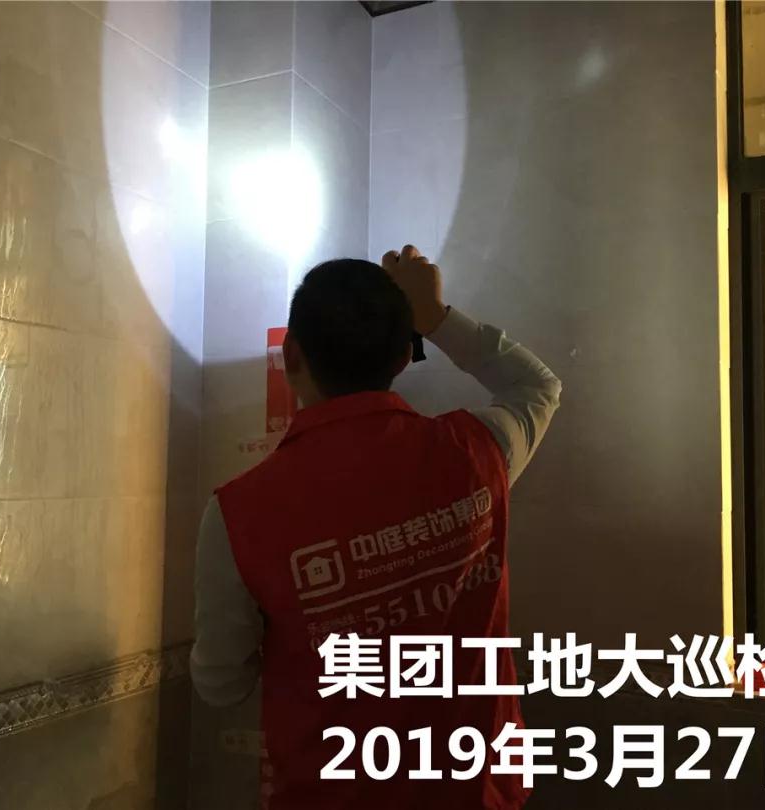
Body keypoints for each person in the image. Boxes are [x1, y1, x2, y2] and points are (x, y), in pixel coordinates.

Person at [191, 245, 562, 809]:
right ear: (403, 356)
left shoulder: (237, 514)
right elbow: (538, 387)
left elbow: (220, 684)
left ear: (291, 354)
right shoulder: (475, 453)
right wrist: (435, 317)